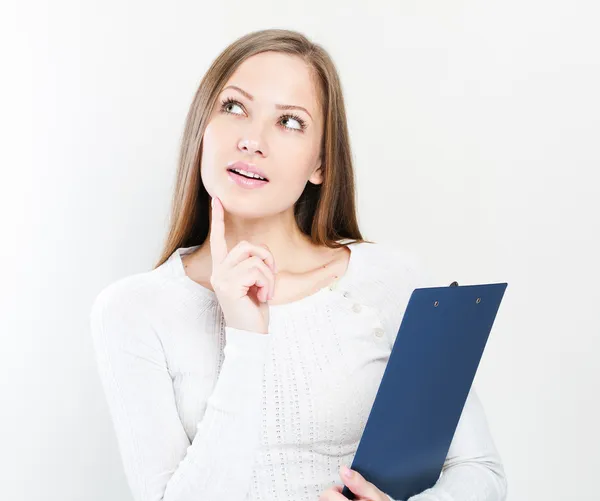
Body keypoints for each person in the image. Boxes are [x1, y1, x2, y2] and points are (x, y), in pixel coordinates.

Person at [89, 28, 508, 501]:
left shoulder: (388, 279)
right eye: (234, 107)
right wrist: (247, 339)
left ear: (322, 164)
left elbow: (478, 470)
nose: (252, 140)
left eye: (289, 121)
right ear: (202, 128)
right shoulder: (133, 310)